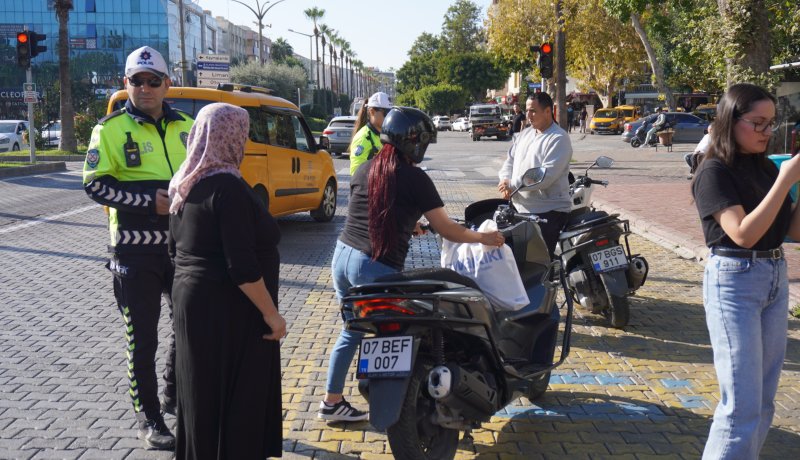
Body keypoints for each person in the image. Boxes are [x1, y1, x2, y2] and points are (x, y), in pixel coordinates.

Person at [318, 107, 505, 421]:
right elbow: (447, 229)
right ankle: (407, 410)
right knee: (400, 335)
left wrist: (409, 225)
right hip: (374, 266)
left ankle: (331, 402)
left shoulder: (366, 169)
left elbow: (376, 209)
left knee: (351, 330)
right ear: (415, 143)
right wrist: (483, 238)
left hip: (343, 258)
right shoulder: (415, 178)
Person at [82, 45, 193, 450]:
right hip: (134, 252)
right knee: (141, 337)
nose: (145, 88)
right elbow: (95, 183)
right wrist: (149, 201)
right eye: (136, 81)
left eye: (153, 81)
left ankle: (174, 396)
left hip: (184, 246)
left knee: (189, 325)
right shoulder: (108, 130)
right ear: (125, 83)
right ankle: (149, 419)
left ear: (167, 84)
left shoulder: (187, 125)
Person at [168, 103, 286, 459]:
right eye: (243, 134)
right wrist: (272, 315)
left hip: (195, 304)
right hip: (230, 311)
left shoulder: (186, 183)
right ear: (232, 137)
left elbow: (174, 249)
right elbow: (242, 267)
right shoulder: (227, 188)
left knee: (203, 396)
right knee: (235, 401)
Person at [691, 83, 800, 459]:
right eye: (758, 123)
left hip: (773, 276)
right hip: (734, 280)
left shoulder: (764, 167)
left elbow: (791, 229)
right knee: (741, 405)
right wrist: (787, 178)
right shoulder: (713, 172)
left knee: (765, 401)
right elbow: (742, 233)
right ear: (730, 120)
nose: (768, 132)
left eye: (771, 124)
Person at [498, 92, 573, 257]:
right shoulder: (526, 134)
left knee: (538, 263)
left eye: (533, 111)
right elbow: (509, 161)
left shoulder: (558, 138)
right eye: (527, 110)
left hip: (547, 212)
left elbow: (544, 176)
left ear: (548, 112)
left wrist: (512, 184)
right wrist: (504, 180)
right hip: (520, 208)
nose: (528, 115)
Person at [349, 91, 392, 175]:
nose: (389, 117)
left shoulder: (385, 134)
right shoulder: (363, 137)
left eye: (391, 113)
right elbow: (356, 172)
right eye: (386, 113)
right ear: (372, 111)